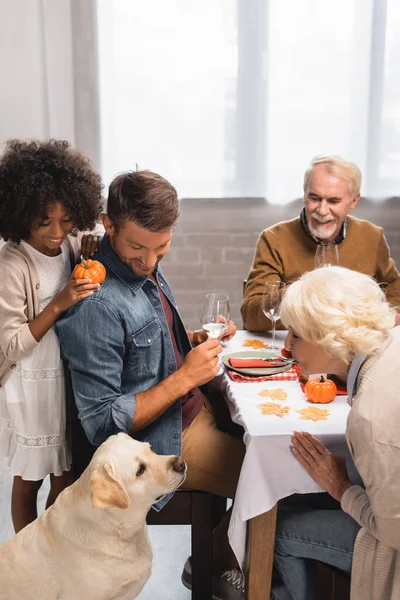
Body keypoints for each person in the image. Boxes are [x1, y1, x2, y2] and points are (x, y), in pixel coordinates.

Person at [56, 170, 246, 600]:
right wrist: (184, 378)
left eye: (162, 248)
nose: (149, 261)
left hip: (194, 409)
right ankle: (256, 574)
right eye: (138, 248)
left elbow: (144, 348)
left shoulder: (144, 262)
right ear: (108, 224)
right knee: (274, 475)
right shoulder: (96, 304)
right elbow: (103, 425)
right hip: (163, 439)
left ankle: (213, 557)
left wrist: (190, 342)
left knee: (273, 438)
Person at [270, 266, 400, 600]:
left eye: (296, 334)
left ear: (329, 338)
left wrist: (341, 488)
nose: (287, 346)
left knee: (279, 531)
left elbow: (393, 532)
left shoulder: (370, 416)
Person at [0, 139, 103, 532]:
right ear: (20, 213)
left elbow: (82, 281)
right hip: (31, 385)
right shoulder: (13, 262)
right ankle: (27, 564)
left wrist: (88, 251)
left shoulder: (68, 246)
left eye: (66, 220)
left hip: (67, 378)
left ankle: (58, 554)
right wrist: (58, 303)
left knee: (66, 475)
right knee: (30, 478)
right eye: (46, 223)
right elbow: (11, 344)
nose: (58, 233)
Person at [241, 155, 400, 331]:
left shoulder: (372, 236)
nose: (322, 211)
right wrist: (302, 293)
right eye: (315, 198)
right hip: (295, 348)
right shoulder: (273, 239)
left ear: (353, 201)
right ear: (304, 193)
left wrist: (381, 318)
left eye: (333, 201)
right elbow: (251, 316)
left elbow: (394, 284)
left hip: (353, 347)